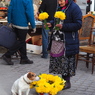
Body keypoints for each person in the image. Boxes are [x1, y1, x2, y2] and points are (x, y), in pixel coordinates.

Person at [47, 0, 82, 89]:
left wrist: (64, 26)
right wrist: (51, 23)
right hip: (58, 38)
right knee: (59, 60)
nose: (59, 2)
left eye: (61, 0)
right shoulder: (60, 7)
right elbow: (56, 20)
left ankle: (67, 81)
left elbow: (78, 24)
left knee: (66, 60)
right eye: (58, 0)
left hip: (68, 40)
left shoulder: (74, 8)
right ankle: (61, 80)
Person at [2, 0, 36, 65]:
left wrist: (9, 21)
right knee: (21, 41)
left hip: (14, 22)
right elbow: (29, 12)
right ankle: (8, 55)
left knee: (21, 41)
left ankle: (24, 58)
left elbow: (10, 10)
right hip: (22, 23)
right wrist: (33, 25)